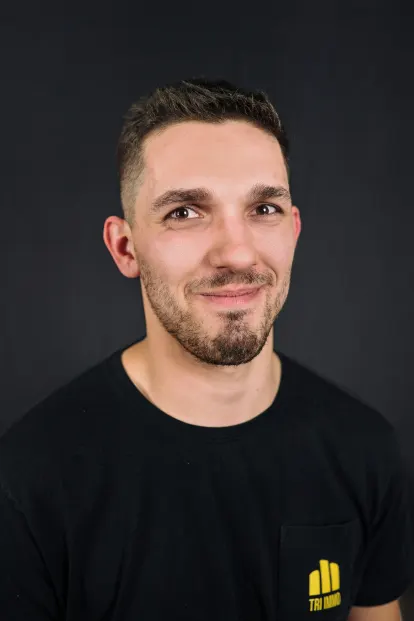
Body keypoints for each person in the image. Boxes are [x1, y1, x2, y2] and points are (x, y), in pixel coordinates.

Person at [0, 78, 413, 621]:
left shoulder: (364, 449)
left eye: (263, 208)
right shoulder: (27, 481)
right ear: (125, 247)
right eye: (185, 212)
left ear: (293, 230)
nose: (236, 253)